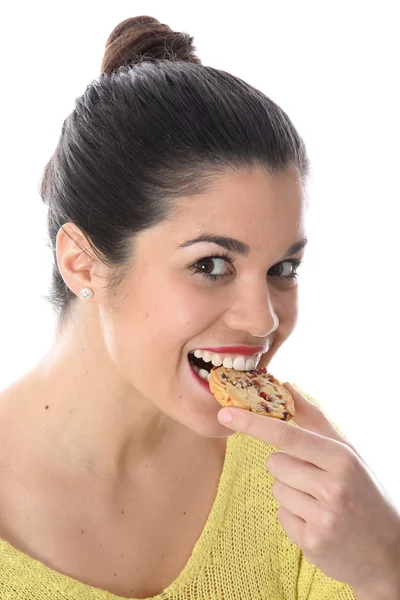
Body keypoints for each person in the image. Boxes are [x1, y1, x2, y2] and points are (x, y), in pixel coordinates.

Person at [0, 14, 399, 600]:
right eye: (211, 265)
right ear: (83, 263)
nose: (263, 320)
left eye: (282, 269)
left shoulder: (301, 475)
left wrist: (385, 566)